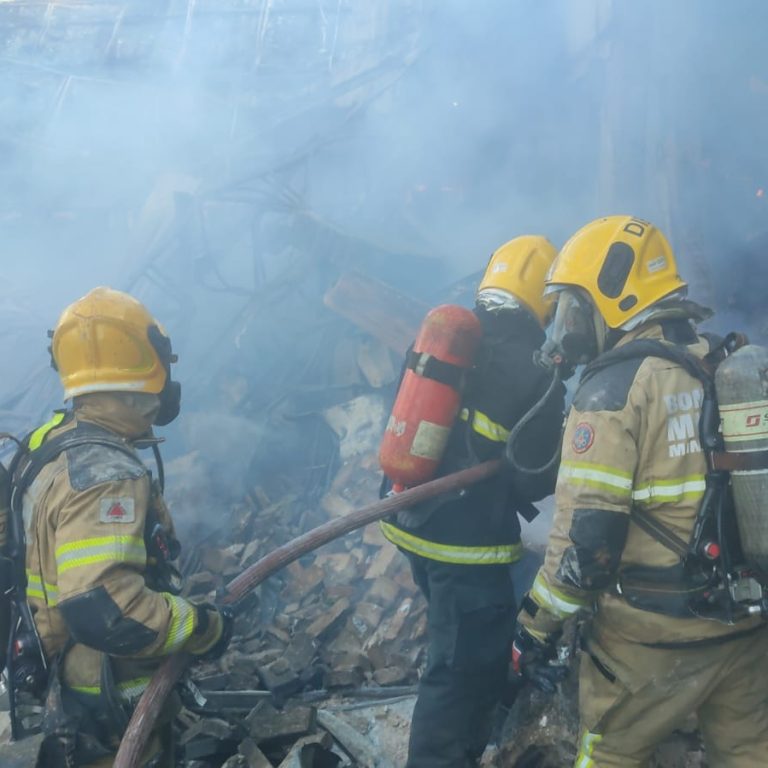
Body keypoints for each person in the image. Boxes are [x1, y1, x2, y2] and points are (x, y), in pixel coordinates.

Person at [512, 216, 768, 767]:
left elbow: (586, 542)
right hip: (742, 629)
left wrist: (535, 626)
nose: (569, 327)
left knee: (608, 758)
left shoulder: (612, 391)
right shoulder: (719, 362)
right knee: (751, 754)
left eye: (575, 308)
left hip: (650, 642)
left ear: (615, 297)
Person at [12, 287, 233, 767]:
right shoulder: (107, 475)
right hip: (107, 695)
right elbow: (106, 610)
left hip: (54, 681)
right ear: (146, 371)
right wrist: (203, 627)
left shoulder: (45, 443)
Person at [380, 236, 566, 768]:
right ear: (544, 301)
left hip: (412, 522)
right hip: (467, 547)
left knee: (462, 647)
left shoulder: (447, 338)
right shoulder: (536, 370)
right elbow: (534, 482)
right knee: (456, 674)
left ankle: (479, 728)